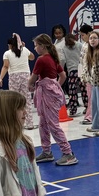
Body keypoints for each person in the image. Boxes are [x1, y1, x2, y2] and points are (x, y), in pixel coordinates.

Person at [28, 33, 78, 166]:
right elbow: (63, 76)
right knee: (43, 124)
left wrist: (29, 85)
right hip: (50, 94)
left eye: (36, 45)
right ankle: (46, 152)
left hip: (48, 95)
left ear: (42, 46)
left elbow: (33, 78)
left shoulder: (42, 59)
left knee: (53, 125)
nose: (35, 48)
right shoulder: (53, 58)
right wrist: (55, 86)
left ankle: (68, 153)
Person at [0, 34, 36, 130]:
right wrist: (24, 47)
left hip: (14, 77)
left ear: (10, 45)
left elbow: (5, 66)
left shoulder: (7, 53)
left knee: (14, 101)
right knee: (26, 100)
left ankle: (16, 124)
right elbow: (32, 57)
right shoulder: (24, 50)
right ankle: (30, 124)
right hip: (26, 76)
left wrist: (0, 78)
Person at [53, 24, 83, 116]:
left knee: (70, 87)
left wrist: (61, 69)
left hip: (66, 67)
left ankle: (72, 104)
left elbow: (62, 58)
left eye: (60, 33)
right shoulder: (56, 42)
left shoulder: (64, 43)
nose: (58, 35)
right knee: (69, 87)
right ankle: (73, 102)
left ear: (63, 33)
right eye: (56, 33)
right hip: (62, 67)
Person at [77, 23, 94, 125]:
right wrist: (82, 75)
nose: (81, 37)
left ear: (89, 34)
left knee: (92, 97)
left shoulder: (92, 46)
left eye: (83, 35)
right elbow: (81, 62)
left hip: (92, 75)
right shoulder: (84, 45)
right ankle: (89, 115)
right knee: (89, 96)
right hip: (85, 74)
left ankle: (90, 117)